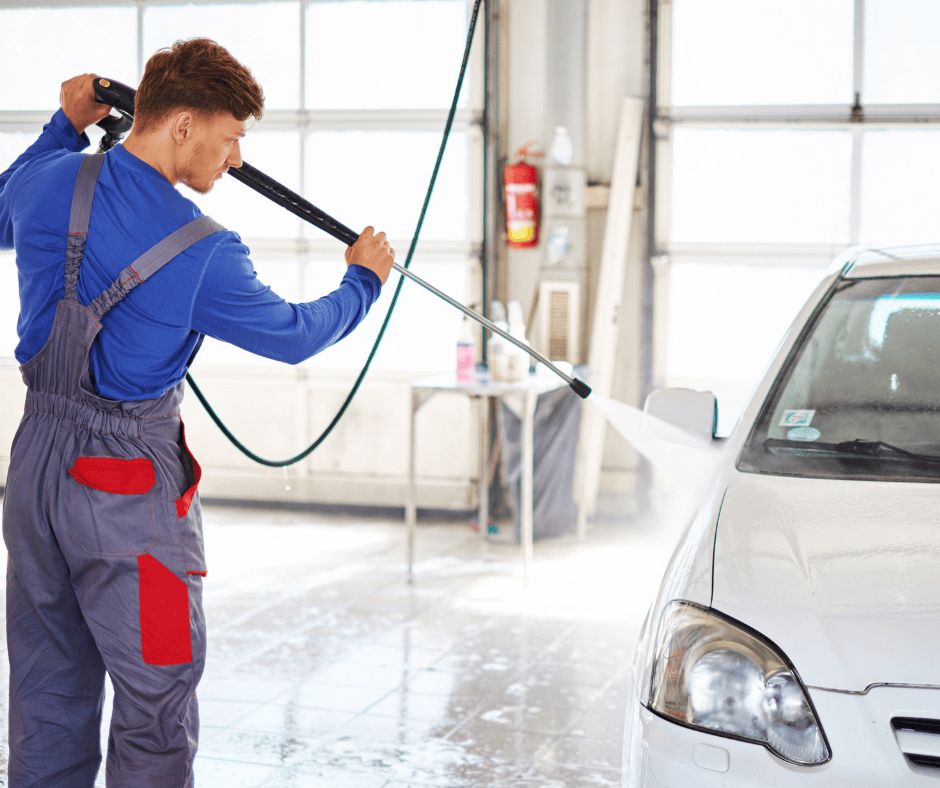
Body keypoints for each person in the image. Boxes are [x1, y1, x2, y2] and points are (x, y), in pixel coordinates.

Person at [0, 38, 394, 786]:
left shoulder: (44, 181)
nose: (237, 158)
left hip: (33, 476)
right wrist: (363, 284)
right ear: (182, 124)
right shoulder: (206, 252)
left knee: (46, 688)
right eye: (232, 136)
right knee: (156, 695)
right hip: (124, 500)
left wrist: (63, 125)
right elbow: (295, 335)